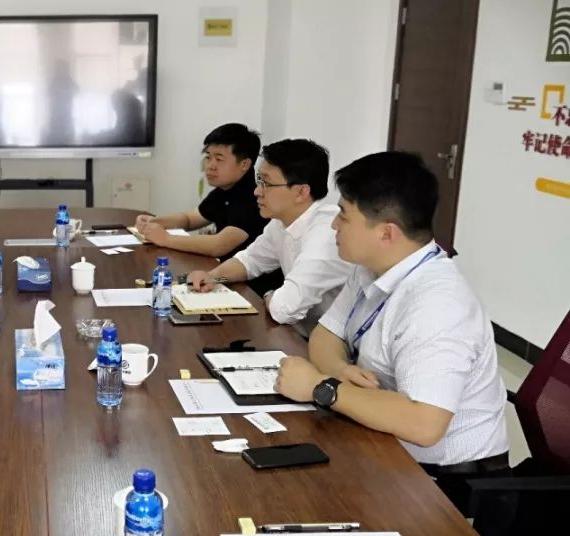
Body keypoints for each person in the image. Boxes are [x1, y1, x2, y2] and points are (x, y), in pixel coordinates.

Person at [274, 151, 509, 514]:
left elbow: (424, 424)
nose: (334, 225)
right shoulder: (372, 266)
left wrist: (322, 387)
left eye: (343, 215)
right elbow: (325, 335)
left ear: (386, 233)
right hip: (382, 443)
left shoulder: (438, 304)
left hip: (447, 486)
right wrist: (340, 371)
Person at [187, 139, 350, 334]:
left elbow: (283, 309)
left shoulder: (325, 234)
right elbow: (250, 261)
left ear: (301, 192)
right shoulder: (281, 221)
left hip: (334, 344)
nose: (257, 191)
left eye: (266, 183)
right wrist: (213, 277)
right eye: (259, 181)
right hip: (302, 333)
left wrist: (269, 294)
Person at [134, 123, 267, 260]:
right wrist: (156, 221)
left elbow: (218, 245)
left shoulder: (254, 198)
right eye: (208, 157)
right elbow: (189, 219)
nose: (210, 166)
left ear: (244, 164)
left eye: (219, 159)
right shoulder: (223, 191)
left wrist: (165, 238)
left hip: (246, 274)